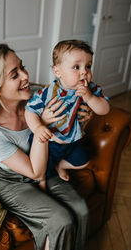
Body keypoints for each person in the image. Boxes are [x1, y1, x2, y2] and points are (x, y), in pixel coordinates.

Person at [0, 43, 92, 250]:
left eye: (22, 67)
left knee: (81, 210)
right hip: (12, 181)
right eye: (14, 74)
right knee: (60, 220)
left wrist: (81, 120)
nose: (26, 75)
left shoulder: (40, 98)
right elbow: (35, 172)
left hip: (47, 165)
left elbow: (65, 136)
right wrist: (42, 126)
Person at [25, 39, 110, 181]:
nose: (84, 72)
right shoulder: (48, 92)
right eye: (76, 67)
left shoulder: (91, 89)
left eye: (88, 66)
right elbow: (30, 110)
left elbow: (104, 109)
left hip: (73, 140)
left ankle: (61, 165)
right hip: (50, 141)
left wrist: (90, 98)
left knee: (83, 161)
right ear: (58, 72)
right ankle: (42, 183)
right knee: (44, 170)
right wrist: (38, 127)